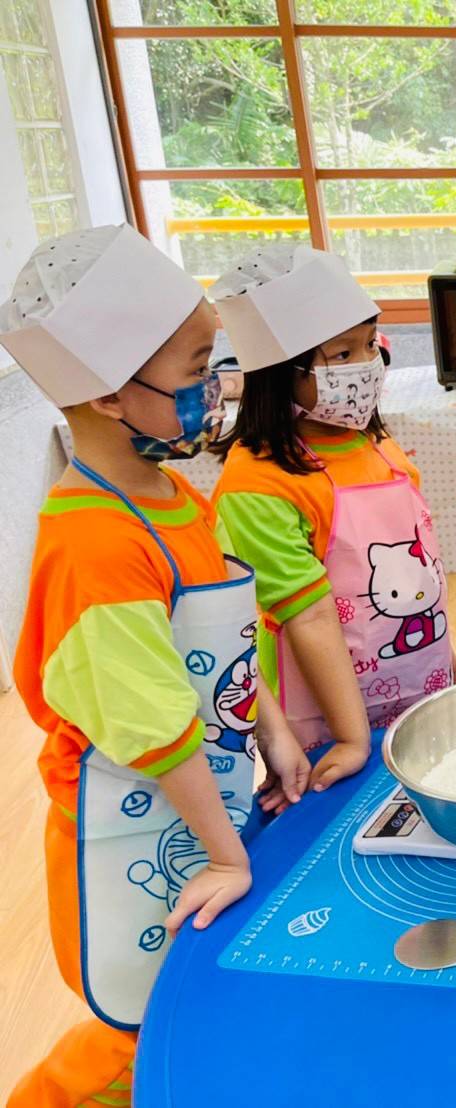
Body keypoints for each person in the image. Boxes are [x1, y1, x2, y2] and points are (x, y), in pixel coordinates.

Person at [1, 225, 307, 1106]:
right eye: (196, 367)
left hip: (203, 809)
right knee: (146, 1028)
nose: (218, 388)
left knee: (199, 1000)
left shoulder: (174, 494)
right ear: (105, 394)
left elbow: (232, 640)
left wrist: (273, 731)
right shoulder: (93, 543)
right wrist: (228, 854)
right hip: (128, 830)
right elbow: (156, 724)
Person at [209, 245, 456, 787]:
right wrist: (351, 737)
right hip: (328, 715)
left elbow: (424, 571)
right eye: (341, 355)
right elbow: (308, 616)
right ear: (280, 374)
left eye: (370, 344)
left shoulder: (376, 443)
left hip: (417, 670)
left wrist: (449, 665)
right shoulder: (258, 482)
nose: (367, 366)